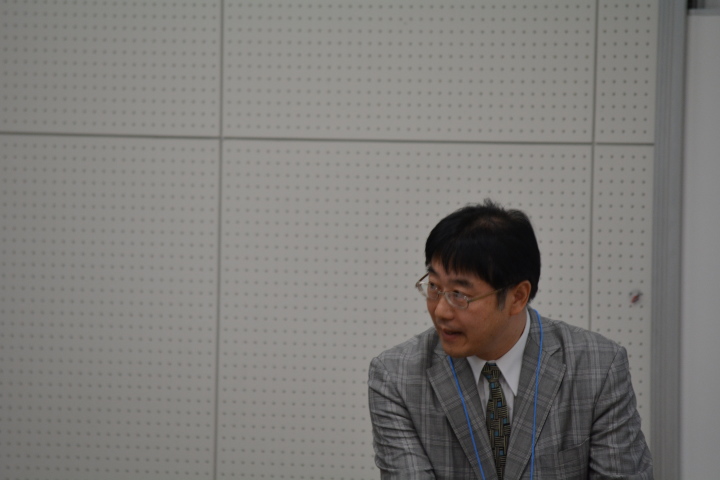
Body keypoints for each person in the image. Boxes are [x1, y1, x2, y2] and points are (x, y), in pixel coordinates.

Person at [367, 200, 652, 479]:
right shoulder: (397, 377)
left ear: (518, 297)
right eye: (434, 287)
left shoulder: (598, 367)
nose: (441, 311)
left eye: (460, 295)